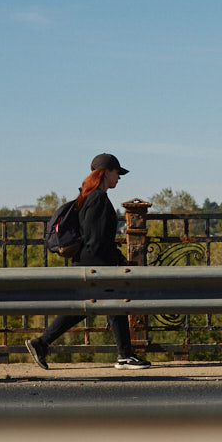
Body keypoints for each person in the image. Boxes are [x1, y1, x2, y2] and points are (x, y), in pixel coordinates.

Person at [26, 153, 151, 369]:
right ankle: (123, 355)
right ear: (105, 173)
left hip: (89, 262)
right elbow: (97, 240)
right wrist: (117, 261)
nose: (119, 178)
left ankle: (42, 343)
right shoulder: (98, 199)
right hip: (95, 264)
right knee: (110, 305)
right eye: (117, 173)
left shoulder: (88, 196)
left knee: (91, 308)